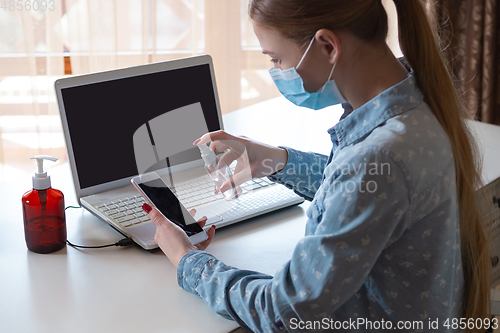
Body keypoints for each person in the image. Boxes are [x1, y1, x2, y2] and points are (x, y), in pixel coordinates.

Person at [141, 0, 492, 332]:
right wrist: (273, 160)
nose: (277, 72)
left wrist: (188, 261)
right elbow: (359, 187)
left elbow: (282, 311)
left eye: (277, 59)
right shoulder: (413, 106)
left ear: (327, 46)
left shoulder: (377, 157)